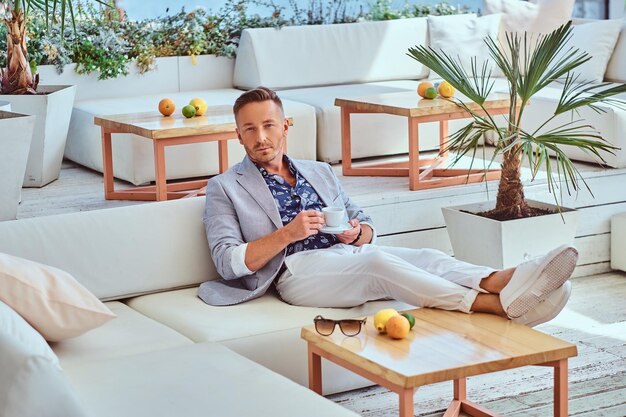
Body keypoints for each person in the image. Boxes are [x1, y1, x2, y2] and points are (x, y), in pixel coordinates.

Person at [198, 87, 577, 327]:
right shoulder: (225, 187)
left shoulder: (318, 171)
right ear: (238, 134)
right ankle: (494, 306)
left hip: (345, 253)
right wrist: (287, 234)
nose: (261, 137)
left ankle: (505, 280)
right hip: (295, 274)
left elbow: (363, 221)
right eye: (249, 129)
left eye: (268, 125)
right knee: (379, 263)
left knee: (425, 255)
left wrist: (358, 232)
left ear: (285, 125)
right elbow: (227, 261)